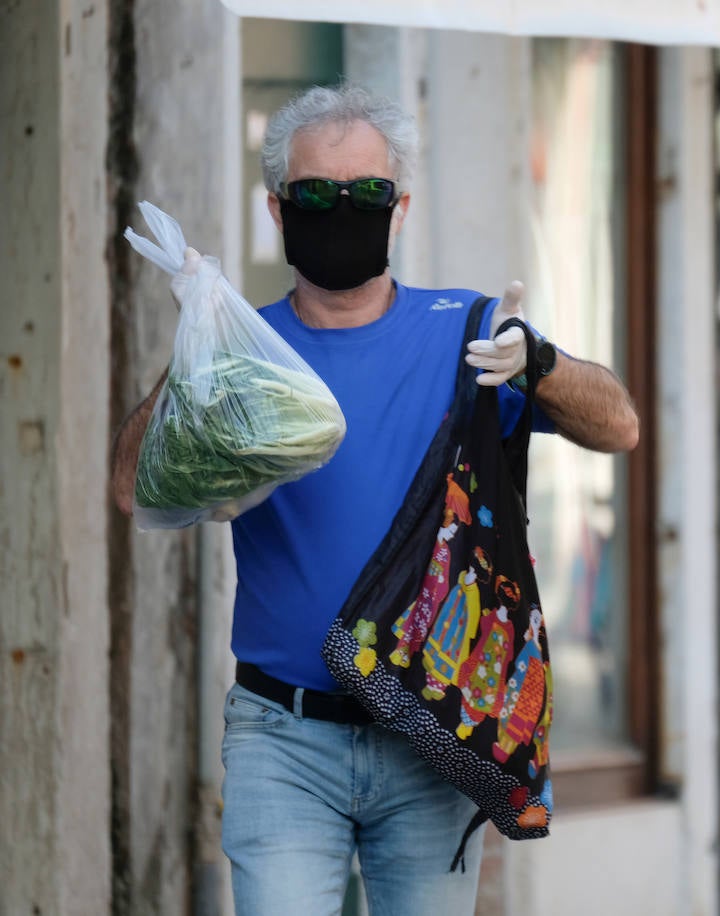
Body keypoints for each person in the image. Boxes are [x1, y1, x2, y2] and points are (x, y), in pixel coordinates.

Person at [110, 83, 638, 916]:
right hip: (283, 740)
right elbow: (128, 483)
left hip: (430, 736)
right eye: (318, 193)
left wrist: (540, 362)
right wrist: (193, 356)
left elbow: (620, 427)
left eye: (368, 194)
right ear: (279, 211)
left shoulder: (469, 335)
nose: (343, 210)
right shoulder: (245, 355)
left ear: (400, 210)